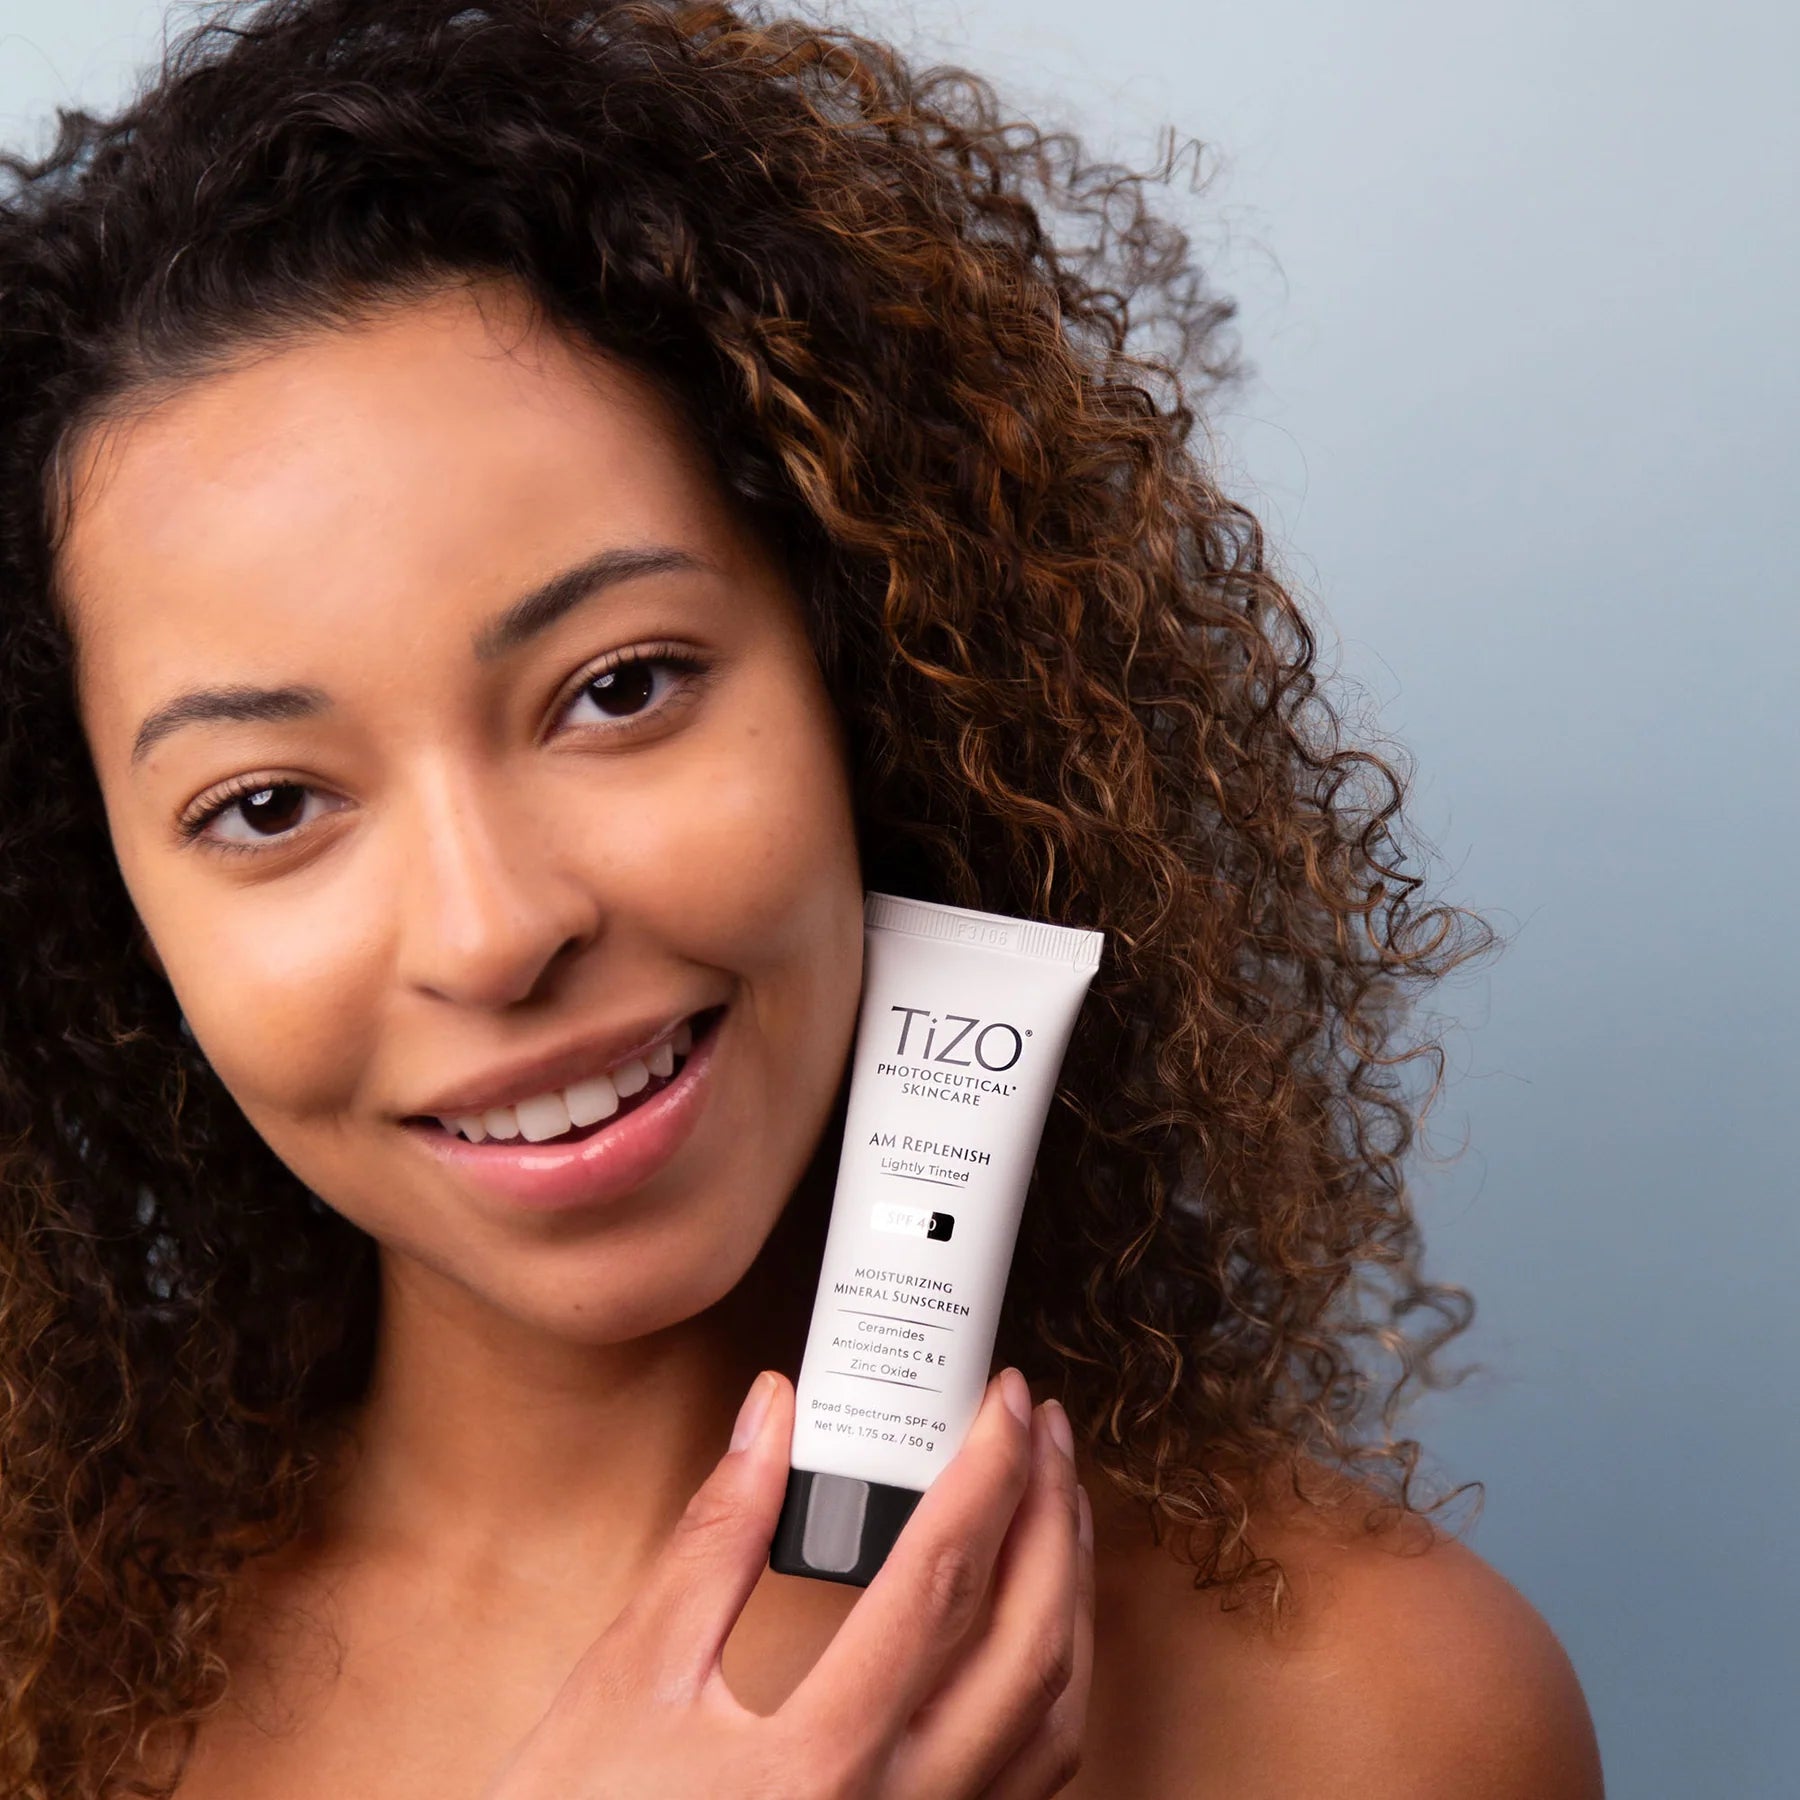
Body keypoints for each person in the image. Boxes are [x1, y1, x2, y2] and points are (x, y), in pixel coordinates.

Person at [0, 1, 1605, 1794]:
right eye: (269, 801)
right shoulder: (48, 1699)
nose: (490, 928)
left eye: (619, 688)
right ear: (101, 907)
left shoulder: (1379, 1715)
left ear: (873, 681)